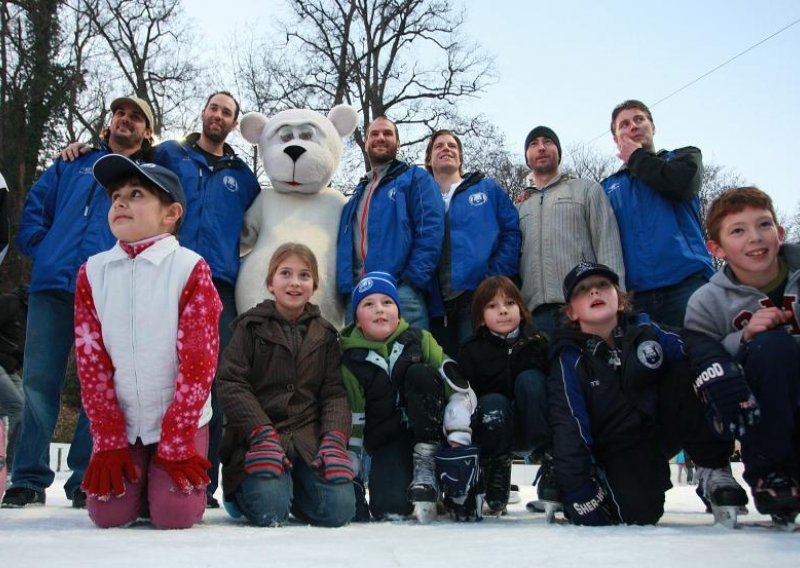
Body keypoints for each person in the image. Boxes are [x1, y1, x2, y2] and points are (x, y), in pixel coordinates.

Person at [63, 91, 261, 507]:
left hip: (211, 276)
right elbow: (130, 156)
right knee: (108, 511)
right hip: (141, 276)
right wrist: (87, 148)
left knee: (208, 374)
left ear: (233, 121)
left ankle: (196, 475)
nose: (218, 115)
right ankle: (94, 468)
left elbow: (253, 225)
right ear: (203, 112)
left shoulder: (242, 175)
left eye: (227, 111)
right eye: (213, 107)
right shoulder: (170, 155)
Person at [2, 95, 154, 509]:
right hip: (52, 287)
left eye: (136, 117)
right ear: (110, 123)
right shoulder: (72, 162)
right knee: (37, 383)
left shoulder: (146, 178)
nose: (126, 120)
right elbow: (36, 205)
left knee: (98, 387)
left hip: (108, 290)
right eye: (120, 113)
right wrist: (43, 245)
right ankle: (28, 477)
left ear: (147, 132)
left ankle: (86, 479)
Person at [548, 261, 758, 526]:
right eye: (583, 290)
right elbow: (569, 423)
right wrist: (579, 490)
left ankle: (713, 468)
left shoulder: (648, 333)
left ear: (621, 301)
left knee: (689, 366)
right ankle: (596, 477)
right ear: (572, 313)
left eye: (603, 285)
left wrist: (722, 374)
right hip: (614, 445)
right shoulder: (569, 357)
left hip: (656, 431)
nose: (594, 292)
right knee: (638, 514)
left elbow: (695, 344)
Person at [74, 154, 221, 529]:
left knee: (174, 516)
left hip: (180, 423)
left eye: (136, 193)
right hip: (124, 425)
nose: (120, 201)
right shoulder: (93, 272)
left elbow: (199, 362)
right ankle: (143, 482)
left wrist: (176, 437)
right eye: (115, 196)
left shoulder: (190, 267)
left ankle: (164, 484)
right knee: (106, 515)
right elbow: (91, 361)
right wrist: (108, 437)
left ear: (171, 213)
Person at [217, 243, 355, 527]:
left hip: (306, 438)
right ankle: (243, 492)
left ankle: (292, 484)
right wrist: (260, 432)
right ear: (271, 283)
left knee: (339, 510)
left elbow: (334, 393)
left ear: (314, 284)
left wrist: (333, 440)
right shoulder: (250, 327)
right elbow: (231, 381)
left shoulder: (326, 334)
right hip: (257, 439)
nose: (295, 282)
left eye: (304, 275)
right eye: (285, 273)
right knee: (270, 509)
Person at [684, 187, 800, 523]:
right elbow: (700, 360)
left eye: (763, 225)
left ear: (779, 233)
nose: (755, 238)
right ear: (716, 248)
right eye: (738, 230)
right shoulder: (707, 301)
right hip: (756, 401)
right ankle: (772, 475)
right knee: (771, 346)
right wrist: (744, 337)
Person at [340, 271, 479, 522]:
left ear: (398, 311)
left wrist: (458, 431)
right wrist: (353, 470)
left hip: (430, 433)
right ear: (357, 320)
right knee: (389, 508)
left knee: (420, 373)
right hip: (388, 438)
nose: (379, 310)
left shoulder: (419, 339)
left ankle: (432, 468)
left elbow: (459, 389)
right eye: (368, 304)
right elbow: (355, 419)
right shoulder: (350, 359)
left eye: (387, 302)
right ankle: (403, 479)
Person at [602, 100, 714, 328]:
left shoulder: (684, 158)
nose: (633, 126)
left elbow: (681, 185)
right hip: (636, 298)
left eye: (639, 119)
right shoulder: (607, 186)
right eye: (624, 124)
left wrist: (636, 157)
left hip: (688, 286)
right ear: (616, 139)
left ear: (653, 127)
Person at [336, 116, 444, 329]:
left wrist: (412, 282)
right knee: (360, 362)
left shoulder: (415, 178)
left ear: (398, 143)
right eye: (374, 134)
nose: (380, 138)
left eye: (387, 133)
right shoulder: (357, 195)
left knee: (409, 361)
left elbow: (431, 230)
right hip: (358, 296)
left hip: (400, 293)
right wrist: (347, 289)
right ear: (366, 143)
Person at [516, 126, 624, 339]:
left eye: (547, 142)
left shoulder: (586, 189)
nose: (541, 148)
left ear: (558, 151)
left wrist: (617, 298)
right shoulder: (519, 208)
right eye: (533, 144)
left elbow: (607, 243)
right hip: (535, 315)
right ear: (527, 158)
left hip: (582, 305)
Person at [457, 276, 551, 515]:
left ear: (521, 307)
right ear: (480, 316)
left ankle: (551, 462)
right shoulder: (471, 349)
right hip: (495, 428)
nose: (503, 311)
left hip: (533, 424)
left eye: (509, 303)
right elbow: (465, 401)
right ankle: (496, 471)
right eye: (492, 306)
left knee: (531, 379)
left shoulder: (539, 342)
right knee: (491, 401)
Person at [424, 130, 521, 356]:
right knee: (445, 374)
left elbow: (511, 232)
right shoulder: (420, 198)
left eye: (452, 146)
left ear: (460, 158)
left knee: (480, 368)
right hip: (436, 305)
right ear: (428, 160)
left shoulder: (487, 189)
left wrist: (493, 280)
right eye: (439, 146)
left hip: (479, 297)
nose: (446, 149)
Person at [0, 286, 27, 465]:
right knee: (16, 405)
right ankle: (2, 453)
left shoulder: (30, 313)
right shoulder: (10, 302)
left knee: (28, 409)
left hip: (9, 368)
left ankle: (11, 462)